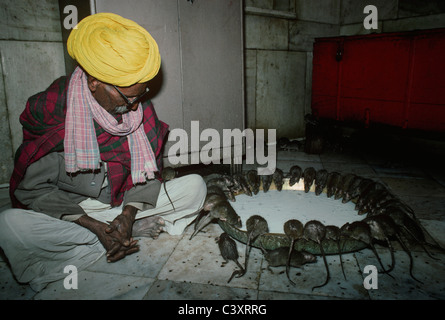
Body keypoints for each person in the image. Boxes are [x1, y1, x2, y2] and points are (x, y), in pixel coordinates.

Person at [0, 13, 206, 292]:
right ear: (94, 81)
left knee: (195, 186)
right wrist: (93, 225)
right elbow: (34, 192)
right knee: (8, 225)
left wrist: (129, 214)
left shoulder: (137, 108)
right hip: (78, 209)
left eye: (141, 95)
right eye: (128, 98)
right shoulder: (53, 111)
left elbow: (148, 176)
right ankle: (103, 239)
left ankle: (121, 231)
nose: (136, 108)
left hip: (124, 203)